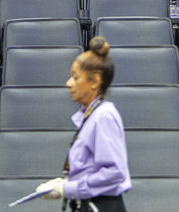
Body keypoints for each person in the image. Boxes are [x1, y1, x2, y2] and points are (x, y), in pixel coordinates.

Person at [35, 37, 131, 212]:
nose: (68, 83)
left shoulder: (103, 116)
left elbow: (114, 173)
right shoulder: (91, 116)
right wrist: (67, 183)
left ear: (94, 81)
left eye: (75, 77)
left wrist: (67, 188)